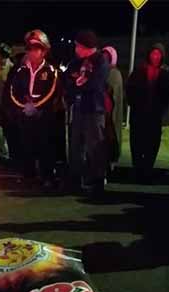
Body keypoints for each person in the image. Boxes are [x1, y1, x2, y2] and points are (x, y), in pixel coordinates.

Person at [5, 29, 61, 187]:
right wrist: (23, 106)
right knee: (26, 145)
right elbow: (12, 90)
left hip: (43, 115)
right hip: (25, 114)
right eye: (29, 49)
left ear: (43, 52)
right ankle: (28, 174)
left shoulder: (50, 71)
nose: (31, 52)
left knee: (45, 146)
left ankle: (47, 176)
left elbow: (52, 92)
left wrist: (36, 106)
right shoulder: (21, 70)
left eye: (36, 49)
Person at [63, 30, 109, 196]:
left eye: (78, 46)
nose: (76, 49)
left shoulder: (100, 61)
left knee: (94, 147)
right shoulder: (75, 63)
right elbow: (67, 80)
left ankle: (97, 181)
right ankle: (75, 179)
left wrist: (77, 85)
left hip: (94, 110)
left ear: (86, 46)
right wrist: (76, 85)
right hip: (78, 109)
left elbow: (94, 84)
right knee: (75, 146)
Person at [126, 43, 169, 182]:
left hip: (154, 115)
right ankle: (137, 169)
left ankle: (147, 169)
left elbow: (167, 94)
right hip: (139, 114)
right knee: (137, 142)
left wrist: (161, 109)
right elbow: (130, 89)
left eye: (158, 54)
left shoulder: (165, 73)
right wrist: (134, 103)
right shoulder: (139, 70)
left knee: (152, 143)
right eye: (153, 53)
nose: (155, 56)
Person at [101, 46, 123, 171]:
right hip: (101, 112)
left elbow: (115, 93)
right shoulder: (100, 71)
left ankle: (110, 163)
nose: (104, 59)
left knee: (110, 137)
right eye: (103, 57)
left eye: (107, 57)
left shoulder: (114, 73)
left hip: (110, 113)